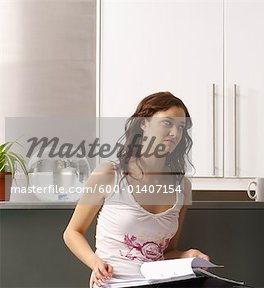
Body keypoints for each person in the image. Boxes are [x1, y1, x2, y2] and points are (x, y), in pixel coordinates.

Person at [63, 92, 209, 288]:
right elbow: (72, 232)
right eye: (167, 123)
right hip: (113, 284)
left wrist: (187, 255)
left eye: (181, 127)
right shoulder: (109, 174)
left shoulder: (183, 187)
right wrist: (95, 262)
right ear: (143, 123)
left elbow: (165, 252)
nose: (175, 133)